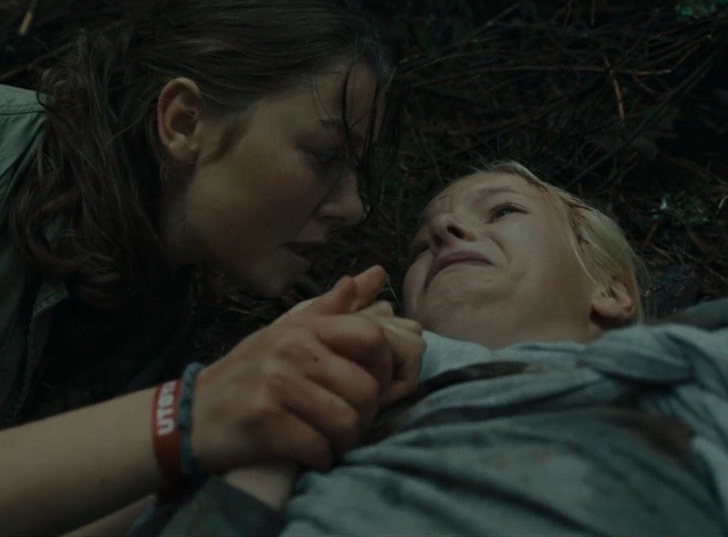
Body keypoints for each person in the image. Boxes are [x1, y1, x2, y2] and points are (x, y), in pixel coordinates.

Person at [0, 0, 426, 536]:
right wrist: (195, 412)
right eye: (324, 156)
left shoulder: (158, 324)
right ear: (184, 121)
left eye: (356, 170)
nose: (353, 207)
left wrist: (269, 400)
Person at [144, 161, 728, 536]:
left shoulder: (684, 367)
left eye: (503, 211)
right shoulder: (319, 399)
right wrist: (274, 430)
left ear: (611, 291)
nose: (445, 232)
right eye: (422, 245)